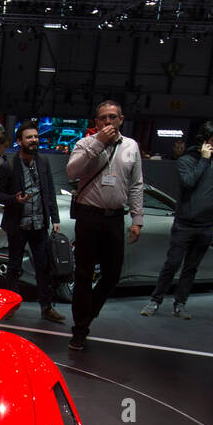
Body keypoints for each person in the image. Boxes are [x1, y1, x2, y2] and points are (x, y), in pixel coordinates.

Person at [65, 100, 144, 351]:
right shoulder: (86, 143)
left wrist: (137, 219)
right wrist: (98, 142)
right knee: (84, 274)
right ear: (96, 122)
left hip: (115, 218)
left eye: (112, 117)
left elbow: (136, 184)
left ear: (121, 119)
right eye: (102, 118)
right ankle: (80, 328)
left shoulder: (131, 146)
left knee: (112, 273)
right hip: (89, 215)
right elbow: (71, 172)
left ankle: (87, 314)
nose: (107, 122)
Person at [141, 120, 213, 319]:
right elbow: (188, 182)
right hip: (185, 225)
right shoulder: (186, 160)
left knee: (191, 268)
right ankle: (155, 301)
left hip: (207, 226)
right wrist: (204, 160)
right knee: (172, 264)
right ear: (204, 140)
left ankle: (180, 304)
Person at [0, 123, 63, 320]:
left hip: (39, 224)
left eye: (36, 137)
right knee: (14, 267)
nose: (34, 140)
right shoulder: (9, 166)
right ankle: (8, 307)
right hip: (18, 225)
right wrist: (14, 199)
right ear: (19, 141)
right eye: (29, 137)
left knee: (43, 266)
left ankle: (46, 308)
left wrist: (55, 218)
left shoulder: (43, 162)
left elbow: (49, 192)